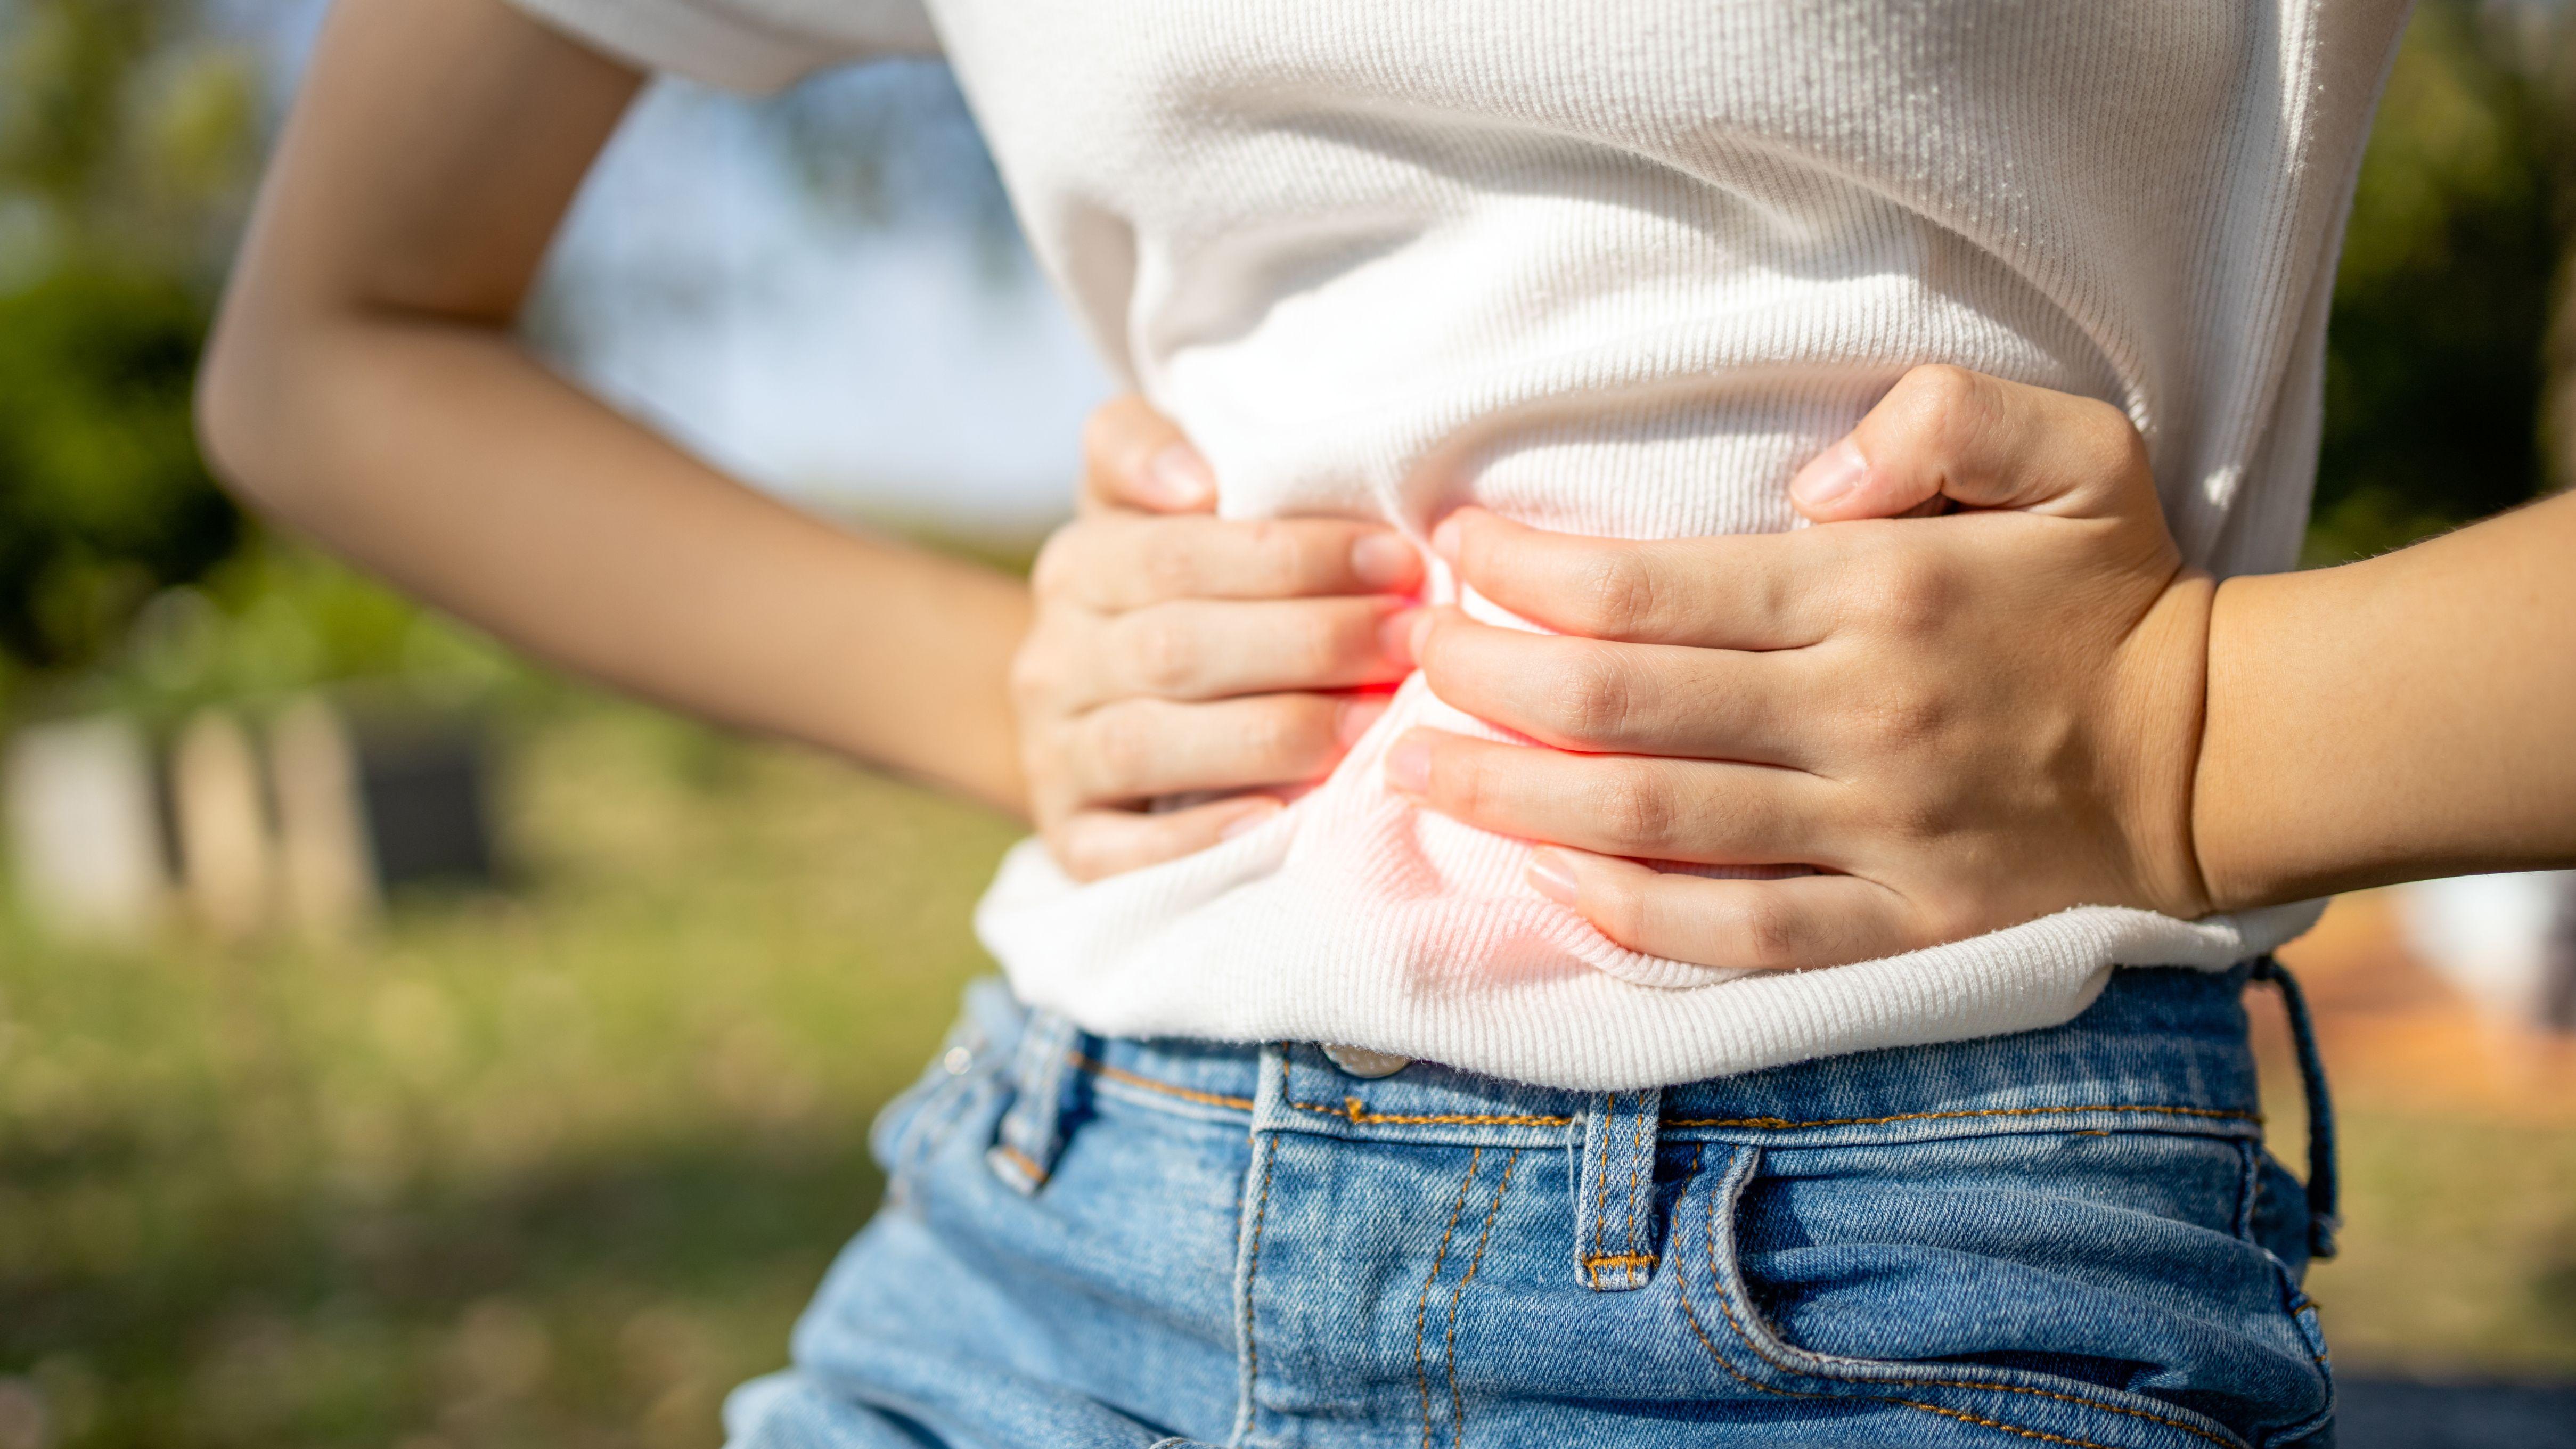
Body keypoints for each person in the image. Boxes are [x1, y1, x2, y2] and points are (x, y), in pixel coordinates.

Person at [194, 0, 2576, 1443]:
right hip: (1047, 1227)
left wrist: (2187, 731)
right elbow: (334, 350)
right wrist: (1003, 693)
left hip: (1885, 1263)